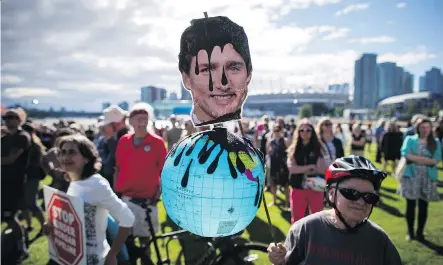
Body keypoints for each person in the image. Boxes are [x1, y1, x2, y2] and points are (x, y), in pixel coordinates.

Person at [268, 155, 403, 265]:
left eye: (369, 197)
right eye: (351, 193)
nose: (361, 202)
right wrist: (279, 261)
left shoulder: (380, 240)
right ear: (332, 194)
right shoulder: (305, 230)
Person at [45, 134, 135, 265]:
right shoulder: (74, 180)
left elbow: (127, 218)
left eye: (72, 152)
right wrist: (53, 227)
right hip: (72, 258)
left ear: (86, 158)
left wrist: (114, 253)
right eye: (63, 152)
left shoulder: (97, 184)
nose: (65, 157)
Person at [114, 103, 167, 265]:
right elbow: (118, 168)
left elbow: (164, 173)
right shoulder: (124, 141)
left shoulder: (157, 142)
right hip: (127, 199)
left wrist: (158, 195)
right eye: (138, 119)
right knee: (126, 241)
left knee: (146, 242)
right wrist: (117, 192)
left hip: (147, 200)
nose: (141, 123)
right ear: (130, 121)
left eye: (145, 119)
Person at [179, 15, 252, 126]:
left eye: (234, 68)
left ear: (249, 74)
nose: (223, 84)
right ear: (186, 79)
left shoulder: (243, 141)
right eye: (208, 70)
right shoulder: (188, 142)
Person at [399, 118, 441, 241]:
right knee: (410, 205)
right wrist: (425, 160)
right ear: (418, 128)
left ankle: (420, 232)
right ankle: (410, 232)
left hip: (427, 178)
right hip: (411, 176)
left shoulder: (435, 142)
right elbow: (405, 154)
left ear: (431, 128)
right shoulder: (410, 139)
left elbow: (436, 159)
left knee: (423, 206)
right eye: (422, 127)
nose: (425, 130)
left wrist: (415, 158)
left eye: (427, 127)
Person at [1, 108, 31, 262]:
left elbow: (10, 159)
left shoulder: (22, 137)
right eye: (5, 117)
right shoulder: (4, 137)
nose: (8, 120)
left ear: (20, 119)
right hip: (3, 182)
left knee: (10, 217)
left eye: (12, 117)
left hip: (14, 183)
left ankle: (22, 247)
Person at [286, 119, 326, 223]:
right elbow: (291, 169)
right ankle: (297, 239)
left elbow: (321, 169)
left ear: (312, 132)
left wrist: (300, 169)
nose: (305, 132)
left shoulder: (319, 148)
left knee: (317, 219)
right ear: (298, 132)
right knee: (296, 219)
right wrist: (310, 167)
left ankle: (315, 239)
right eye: (301, 130)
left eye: (308, 130)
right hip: (297, 187)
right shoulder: (293, 149)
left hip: (315, 187)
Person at [266, 124, 290, 208]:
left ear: (281, 131)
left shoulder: (285, 140)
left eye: (278, 130)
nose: (276, 132)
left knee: (285, 185)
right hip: (274, 165)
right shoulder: (271, 142)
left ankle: (287, 202)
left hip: (283, 165)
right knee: (273, 184)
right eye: (275, 130)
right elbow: (268, 153)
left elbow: (289, 153)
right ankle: (274, 201)